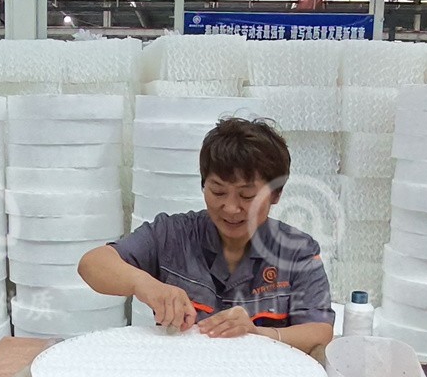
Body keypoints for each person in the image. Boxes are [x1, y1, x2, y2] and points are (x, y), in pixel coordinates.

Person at [78, 117, 335, 356]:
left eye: (247, 196)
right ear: (203, 186)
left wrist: (257, 334)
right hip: (183, 375)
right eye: (218, 192)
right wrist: (145, 285)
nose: (231, 208)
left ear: (276, 194)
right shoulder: (172, 235)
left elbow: (319, 331)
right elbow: (92, 264)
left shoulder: (296, 251)